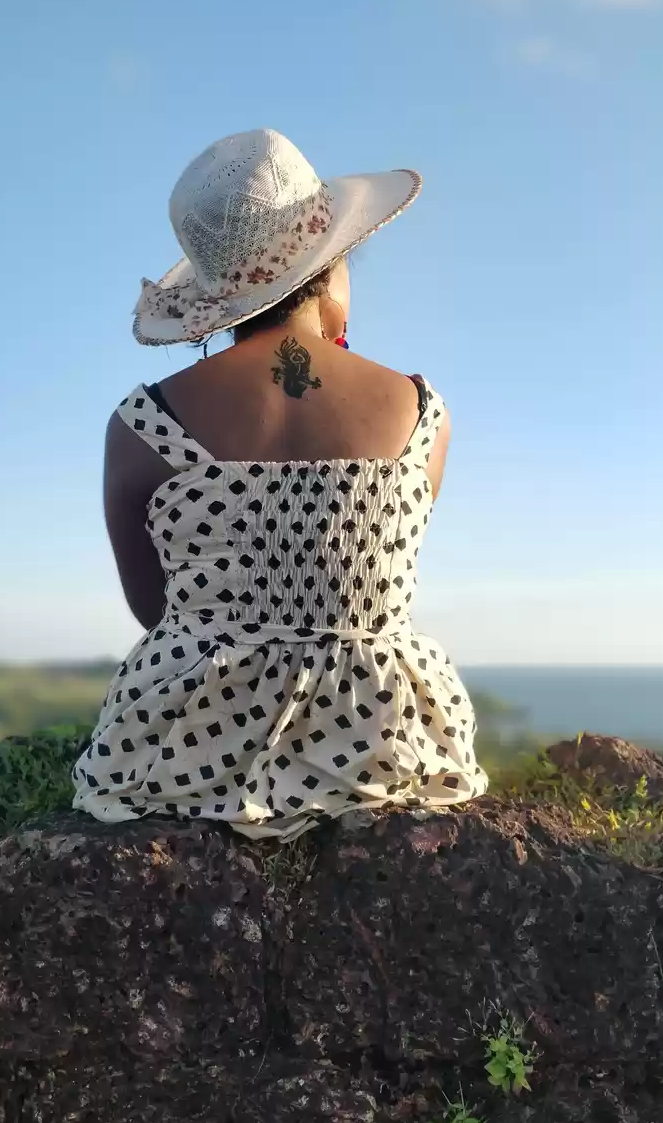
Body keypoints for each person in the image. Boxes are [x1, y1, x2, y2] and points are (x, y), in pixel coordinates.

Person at [72, 128, 488, 839]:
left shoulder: (144, 423)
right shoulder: (423, 412)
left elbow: (156, 611)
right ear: (329, 271)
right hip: (384, 743)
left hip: (187, 749)